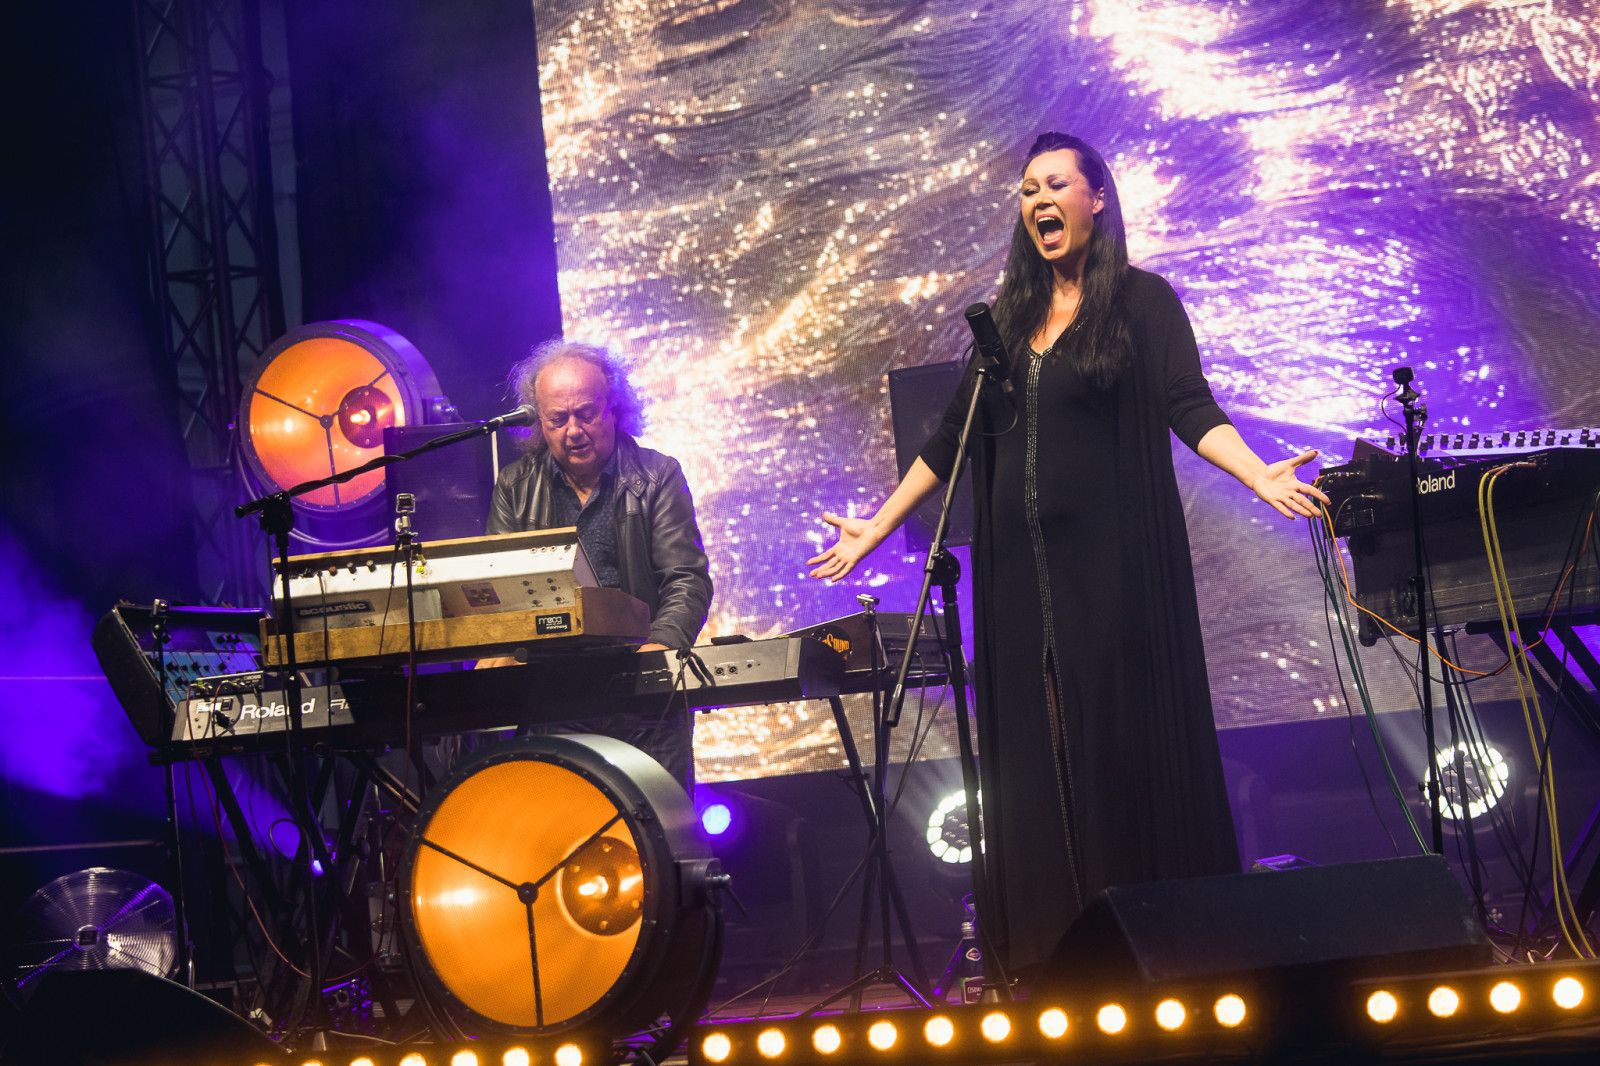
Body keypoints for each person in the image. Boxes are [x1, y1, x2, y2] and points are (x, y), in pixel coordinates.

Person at [807, 133, 1329, 980]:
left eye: (1055, 185)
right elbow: (950, 441)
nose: (1038, 200)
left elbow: (1188, 404)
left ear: (1097, 198)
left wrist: (1256, 472)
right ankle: (1060, 948)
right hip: (1019, 576)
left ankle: (1152, 938)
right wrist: (875, 528)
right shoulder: (1008, 324)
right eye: (1027, 190)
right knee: (1038, 751)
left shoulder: (1143, 303)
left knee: (1116, 740)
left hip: (1114, 569)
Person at [483, 339, 713, 786]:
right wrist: (499, 648)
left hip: (643, 696)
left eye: (586, 414)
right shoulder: (514, 486)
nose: (573, 431)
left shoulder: (657, 475)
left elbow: (687, 580)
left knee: (657, 824)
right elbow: (499, 588)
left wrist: (661, 645)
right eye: (558, 419)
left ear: (614, 410)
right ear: (539, 423)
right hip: (553, 697)